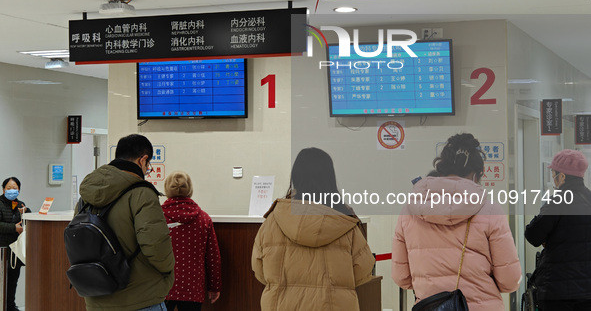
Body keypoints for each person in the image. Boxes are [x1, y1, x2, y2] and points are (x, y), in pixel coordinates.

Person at [392, 133, 522, 310]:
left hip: (430, 306)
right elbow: (509, 280)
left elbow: (402, 278)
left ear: (442, 167)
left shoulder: (410, 210)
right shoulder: (490, 210)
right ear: (476, 174)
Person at [251, 147, 375, 311]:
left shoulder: (274, 219)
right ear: (330, 178)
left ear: (296, 177)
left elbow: (259, 270)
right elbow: (363, 270)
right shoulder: (344, 220)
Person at [78, 134, 175, 311]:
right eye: (148, 165)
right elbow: (156, 246)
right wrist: (168, 270)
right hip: (140, 297)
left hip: (96, 295)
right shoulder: (141, 193)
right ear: (143, 159)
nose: (147, 170)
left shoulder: (85, 197)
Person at [525, 149, 591, 310]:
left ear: (562, 176)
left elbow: (533, 235)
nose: (553, 179)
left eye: (554, 174)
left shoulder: (557, 201)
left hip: (557, 291)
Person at [162, 171, 221, 311]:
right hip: (193, 287)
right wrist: (214, 287)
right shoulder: (203, 219)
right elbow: (213, 257)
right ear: (190, 190)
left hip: (162, 285)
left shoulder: (157, 217)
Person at [0, 177, 30, 311]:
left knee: (13, 280)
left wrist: (25, 214)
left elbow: (27, 223)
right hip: (1, 248)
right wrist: (14, 228)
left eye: (15, 188)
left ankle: (10, 306)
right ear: (3, 189)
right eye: (9, 188)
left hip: (15, 250)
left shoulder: (21, 205)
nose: (12, 190)